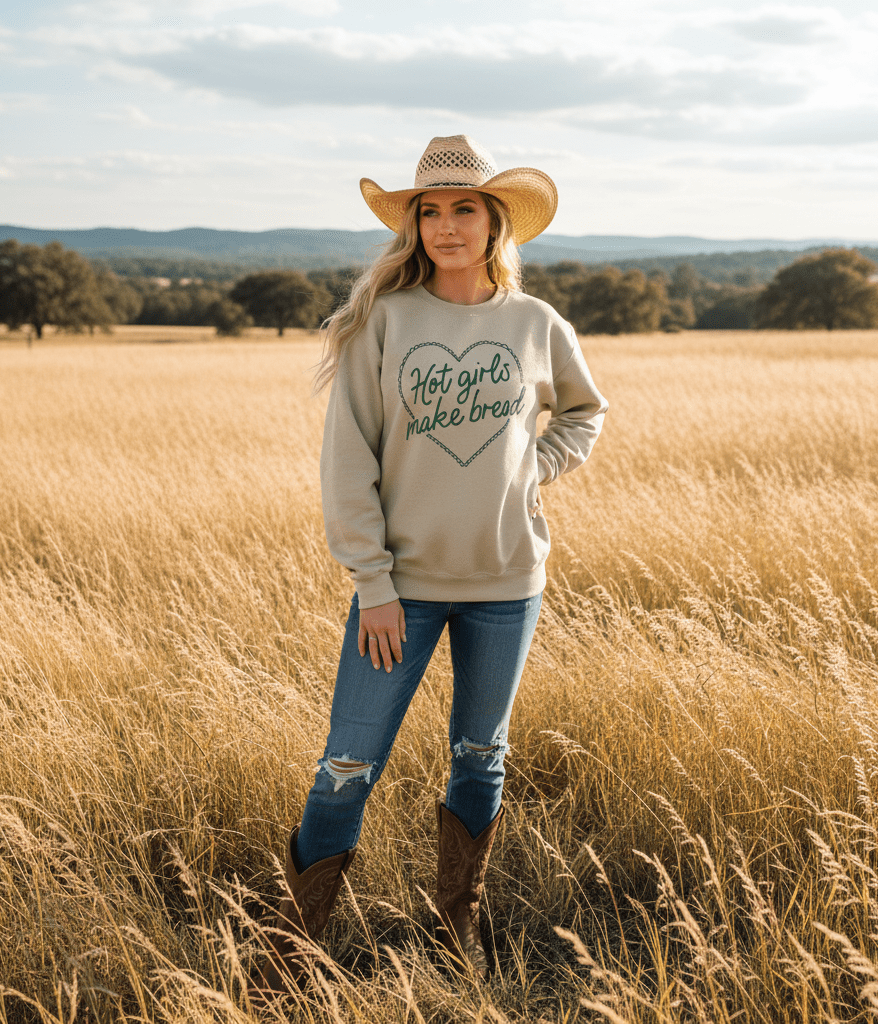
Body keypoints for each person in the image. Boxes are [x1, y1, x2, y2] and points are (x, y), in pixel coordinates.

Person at [250, 135, 608, 997]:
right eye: (431, 211)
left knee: (481, 756)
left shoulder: (535, 324)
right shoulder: (387, 320)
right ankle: (288, 959)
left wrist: (534, 469)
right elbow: (348, 462)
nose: (446, 225)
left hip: (507, 586)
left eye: (464, 209)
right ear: (415, 226)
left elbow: (587, 414)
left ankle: (458, 935)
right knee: (346, 766)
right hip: (399, 595)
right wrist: (372, 581)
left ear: (494, 224)